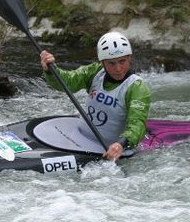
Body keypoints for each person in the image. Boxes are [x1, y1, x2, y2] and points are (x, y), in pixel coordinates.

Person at [40, 32, 151, 161]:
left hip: (110, 148)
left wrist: (121, 144)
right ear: (102, 62)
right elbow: (67, 82)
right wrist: (51, 69)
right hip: (80, 137)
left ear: (129, 58)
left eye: (122, 61)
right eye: (111, 63)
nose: (118, 68)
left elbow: (137, 123)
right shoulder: (95, 72)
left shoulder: (137, 87)